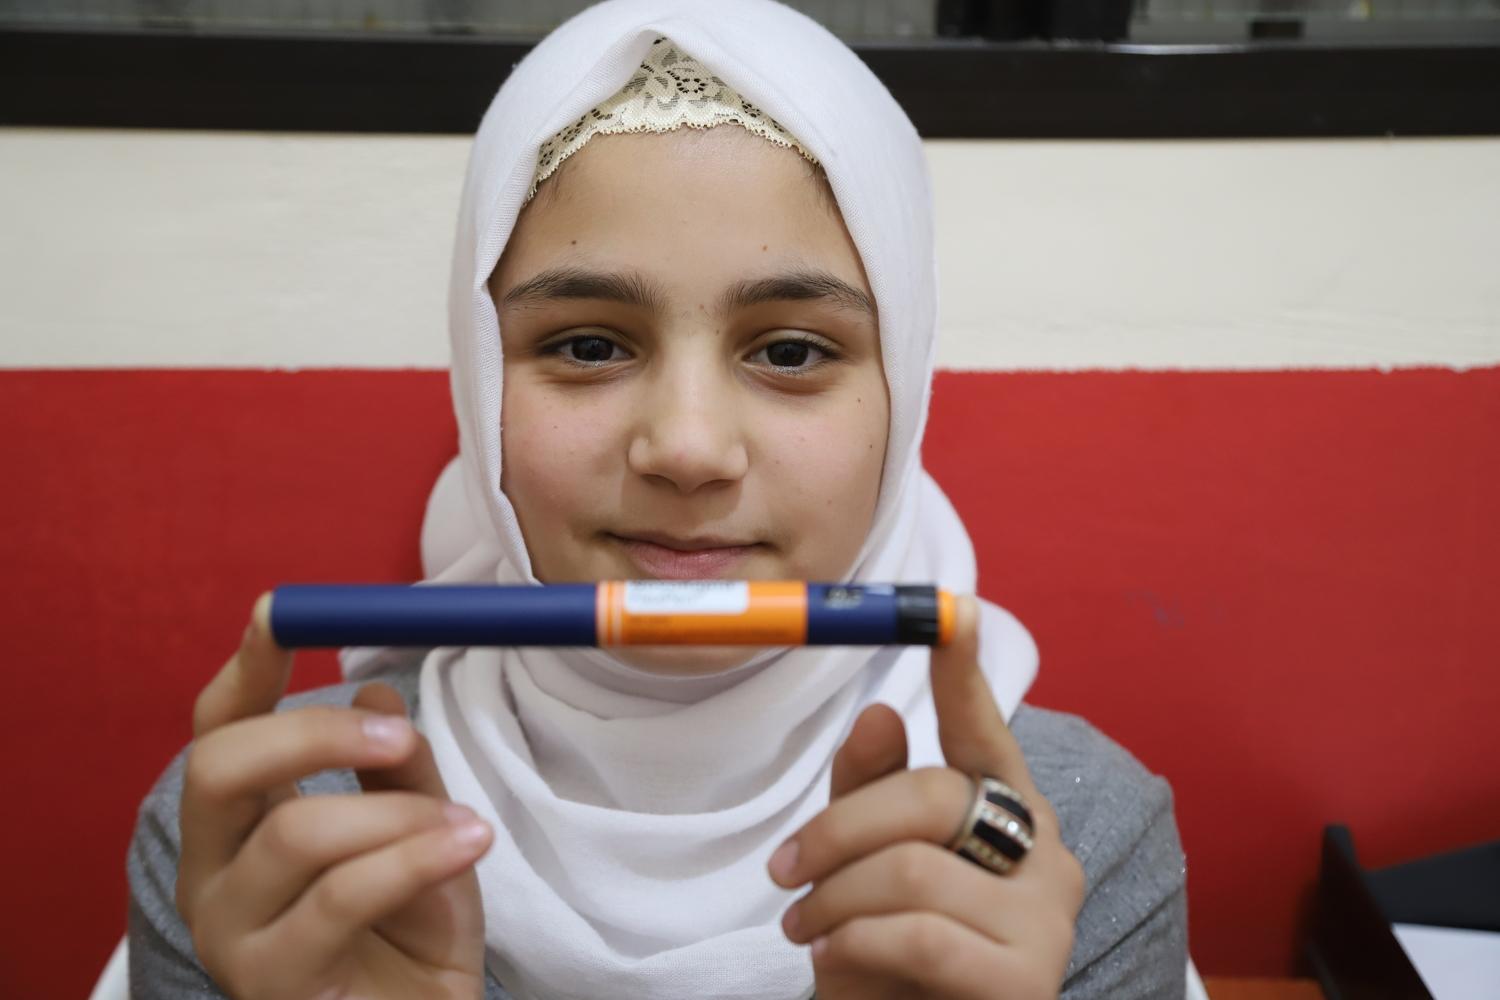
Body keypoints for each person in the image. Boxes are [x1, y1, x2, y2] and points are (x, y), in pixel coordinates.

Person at [126, 2, 1188, 997]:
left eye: (789, 350)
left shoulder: (1065, 838)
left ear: (900, 395)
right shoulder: (260, 837)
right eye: (587, 345)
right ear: (479, 381)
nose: (686, 448)